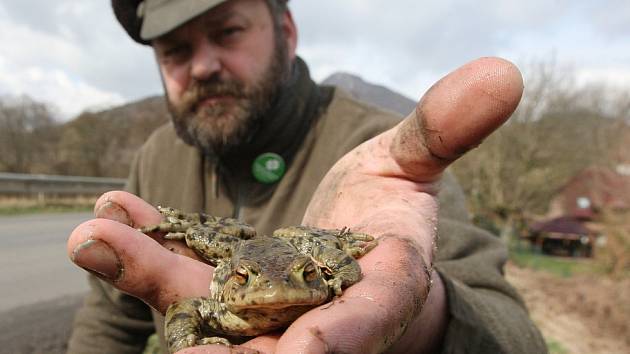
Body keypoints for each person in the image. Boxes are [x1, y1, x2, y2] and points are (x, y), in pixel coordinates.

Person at [67, 0, 546, 353]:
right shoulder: (155, 158)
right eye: (174, 50)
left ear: (287, 30)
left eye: (228, 31)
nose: (203, 66)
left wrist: (417, 315)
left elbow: (516, 335)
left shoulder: (381, 149)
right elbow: (108, 324)